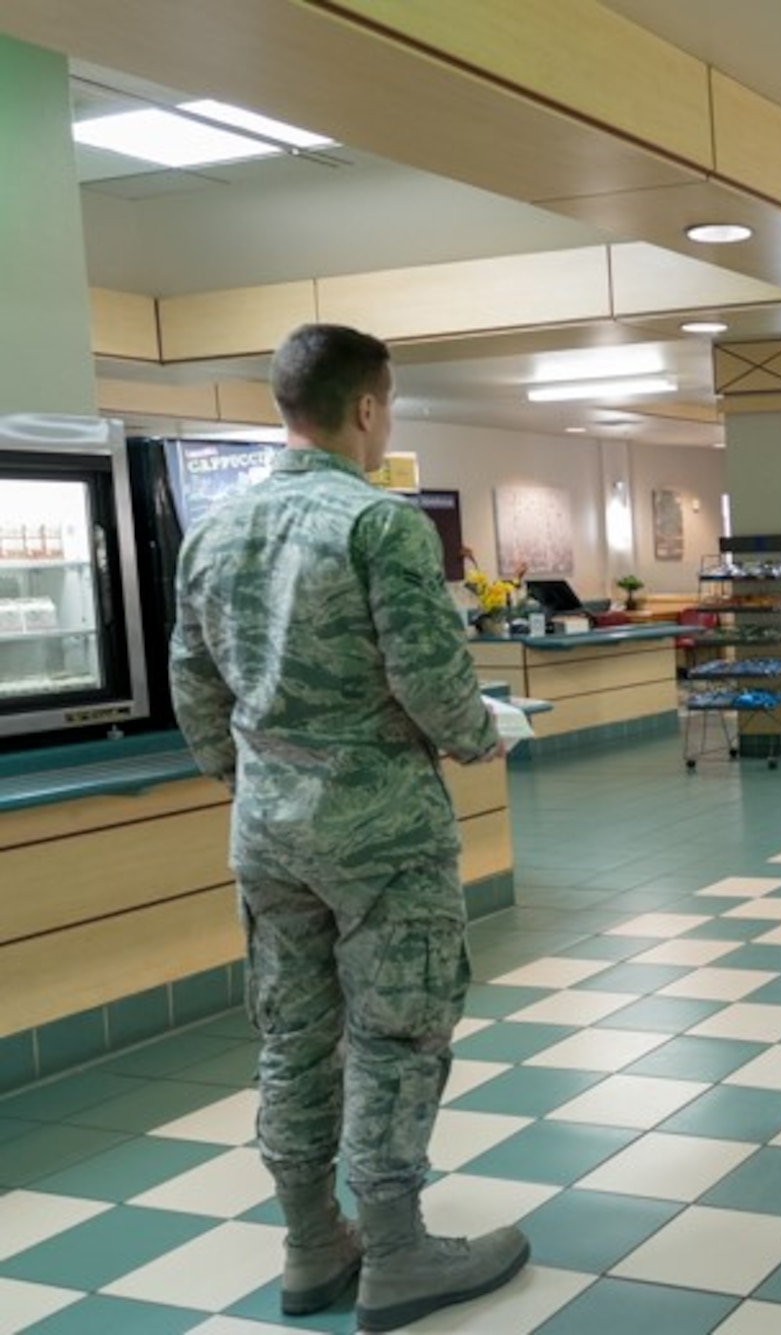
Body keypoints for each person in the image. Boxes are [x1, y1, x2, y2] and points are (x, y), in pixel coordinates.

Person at [170, 324, 528, 1332]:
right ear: (367, 407)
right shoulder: (381, 524)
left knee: (292, 1036)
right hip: (380, 829)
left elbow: (192, 681)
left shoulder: (215, 531)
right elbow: (428, 677)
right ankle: (399, 1249)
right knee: (398, 1031)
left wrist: (246, 774)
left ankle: (309, 1242)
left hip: (267, 824)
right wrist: (476, 735)